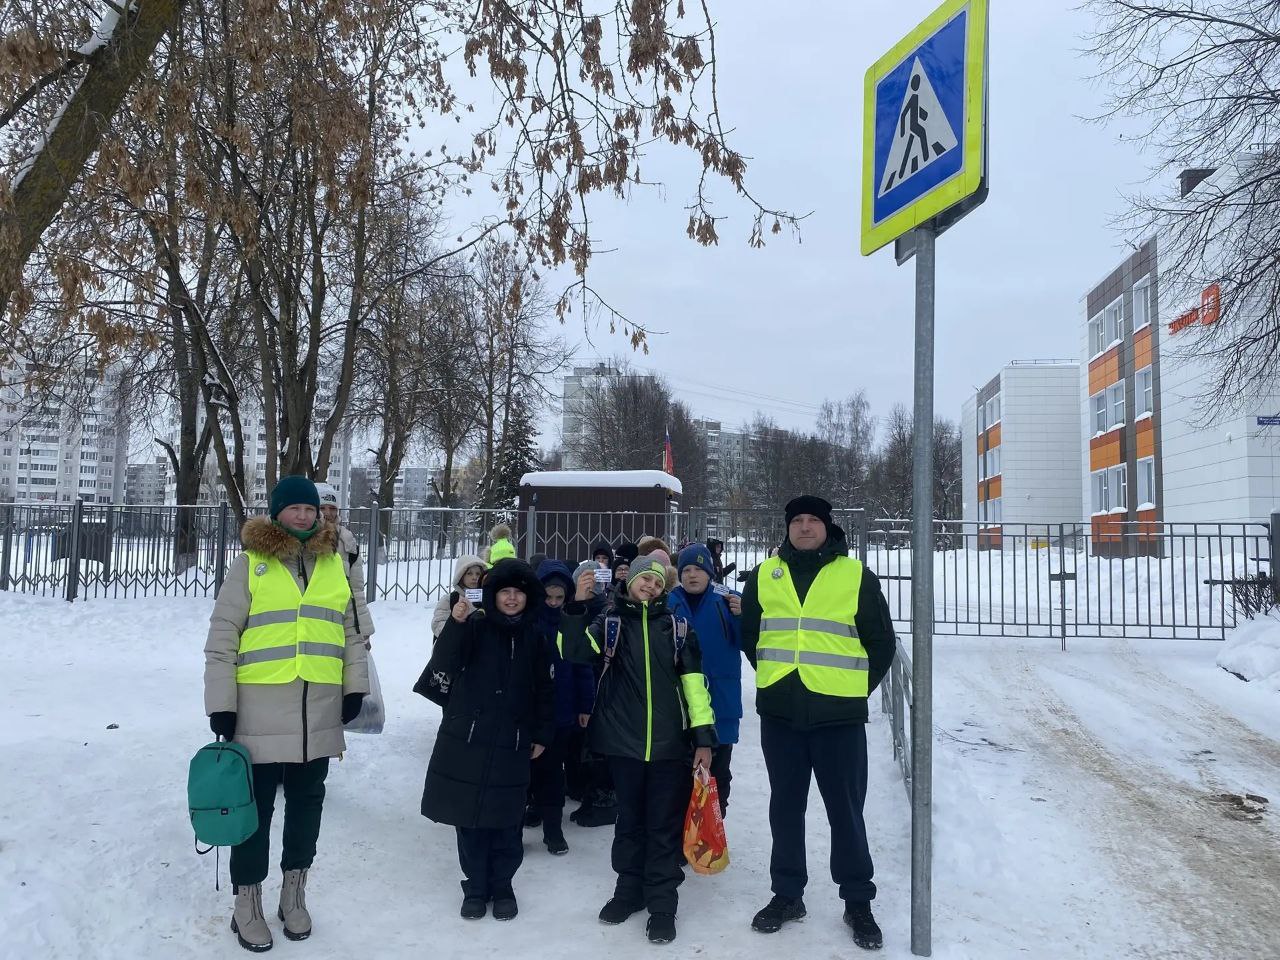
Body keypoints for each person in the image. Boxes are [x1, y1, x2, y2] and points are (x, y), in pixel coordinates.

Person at [204, 475, 370, 952]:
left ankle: (293, 895)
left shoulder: (334, 563)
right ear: (276, 513)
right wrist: (221, 705)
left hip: (316, 712)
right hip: (257, 712)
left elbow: (350, 632)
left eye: (309, 509)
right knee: (253, 815)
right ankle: (247, 903)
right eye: (293, 508)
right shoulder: (251, 563)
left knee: (306, 810)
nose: (302, 516)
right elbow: (222, 638)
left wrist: (353, 688)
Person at [741, 496, 896, 951]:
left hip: (839, 719)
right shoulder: (764, 576)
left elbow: (880, 642)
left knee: (845, 813)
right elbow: (752, 635)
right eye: (796, 521)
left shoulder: (855, 575)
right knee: (785, 809)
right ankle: (787, 895)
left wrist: (851, 689)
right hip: (782, 716)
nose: (804, 527)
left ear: (828, 528)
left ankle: (858, 902)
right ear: (787, 528)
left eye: (813, 521)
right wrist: (775, 678)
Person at [560, 556, 717, 945]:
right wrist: (578, 606)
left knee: (663, 827)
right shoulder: (610, 623)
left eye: (657, 582)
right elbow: (574, 649)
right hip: (623, 745)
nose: (650, 586)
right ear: (630, 582)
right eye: (644, 579)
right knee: (629, 822)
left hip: (668, 746)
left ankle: (663, 904)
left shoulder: (677, 628)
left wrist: (704, 739)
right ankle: (628, 891)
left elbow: (696, 686)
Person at [417, 558, 555, 922]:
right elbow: (443, 664)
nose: (511, 599)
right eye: (505, 592)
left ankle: (503, 884)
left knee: (507, 818)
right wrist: (457, 623)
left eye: (518, 593)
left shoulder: (536, 637)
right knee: (471, 818)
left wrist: (542, 732)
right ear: (493, 595)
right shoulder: (474, 627)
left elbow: (545, 689)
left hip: (513, 739)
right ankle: (476, 885)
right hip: (469, 738)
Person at [525, 559, 595, 854]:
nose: (553, 603)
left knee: (553, 772)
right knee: (524, 772)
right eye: (548, 597)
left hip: (562, 709)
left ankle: (553, 828)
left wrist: (585, 705)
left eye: (559, 597)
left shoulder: (572, 622)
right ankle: (527, 812)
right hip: (529, 710)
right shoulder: (528, 621)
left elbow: (582, 666)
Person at [668, 543, 742, 817]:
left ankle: (713, 831)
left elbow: (748, 641)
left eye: (698, 568)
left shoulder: (728, 601)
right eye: (686, 569)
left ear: (710, 572)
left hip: (721, 704)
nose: (692, 575)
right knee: (680, 775)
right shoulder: (670, 602)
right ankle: (682, 834)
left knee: (718, 773)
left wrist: (742, 616)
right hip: (680, 706)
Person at [314, 481, 375, 647]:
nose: (328, 513)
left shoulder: (346, 540)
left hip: (341, 618)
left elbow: (356, 590)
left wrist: (363, 630)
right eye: (322, 507)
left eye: (332, 508)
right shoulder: (303, 539)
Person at [432, 555, 487, 641]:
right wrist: (455, 623)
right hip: (456, 649)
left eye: (478, 573)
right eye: (469, 573)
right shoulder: (449, 600)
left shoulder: (488, 599)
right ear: (461, 576)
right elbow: (437, 624)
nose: (474, 577)